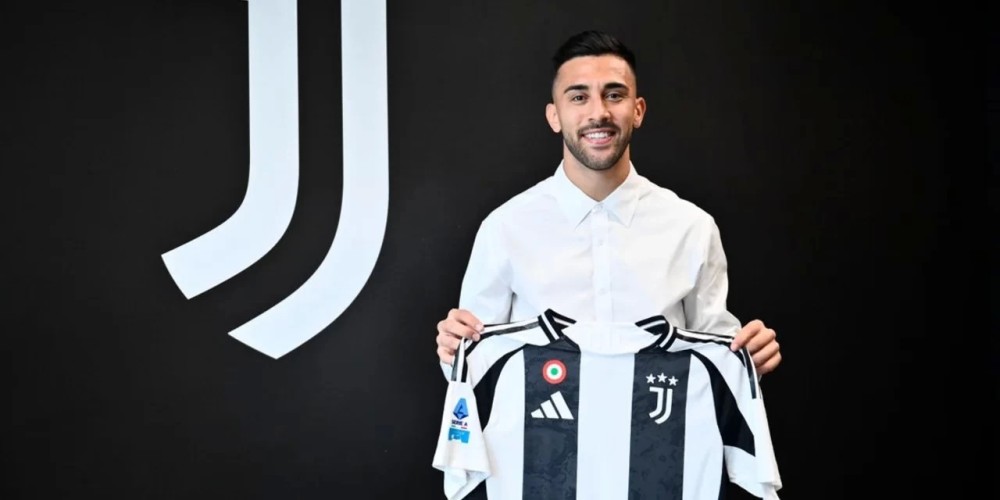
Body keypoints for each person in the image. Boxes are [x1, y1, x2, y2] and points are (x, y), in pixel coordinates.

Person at [435, 30, 781, 378]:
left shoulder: (692, 228)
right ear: (554, 116)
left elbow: (720, 367)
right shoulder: (504, 228)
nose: (598, 113)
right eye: (579, 97)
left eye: (614, 95)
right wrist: (454, 350)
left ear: (638, 110)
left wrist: (750, 357)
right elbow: (471, 369)